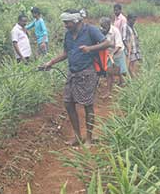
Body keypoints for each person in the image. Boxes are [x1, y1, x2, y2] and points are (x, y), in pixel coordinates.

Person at [41, 9, 110, 147]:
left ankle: (89, 138)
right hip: (73, 73)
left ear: (76, 21)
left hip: (88, 72)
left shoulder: (90, 30)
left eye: (67, 22)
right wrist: (51, 62)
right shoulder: (68, 35)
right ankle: (77, 136)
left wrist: (90, 48)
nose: (65, 25)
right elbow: (66, 53)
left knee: (87, 105)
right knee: (68, 103)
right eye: (64, 23)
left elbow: (107, 43)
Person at [99, 17, 127, 98]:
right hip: (109, 54)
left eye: (104, 26)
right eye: (101, 26)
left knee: (120, 73)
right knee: (109, 73)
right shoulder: (101, 31)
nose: (102, 28)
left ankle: (124, 89)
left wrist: (112, 53)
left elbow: (118, 46)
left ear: (109, 25)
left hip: (118, 53)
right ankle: (108, 92)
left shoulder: (115, 31)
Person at [113, 3, 128, 84]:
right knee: (118, 63)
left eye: (117, 10)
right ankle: (121, 80)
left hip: (121, 42)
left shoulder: (123, 19)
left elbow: (123, 32)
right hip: (116, 42)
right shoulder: (116, 18)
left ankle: (124, 81)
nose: (115, 12)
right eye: (114, 10)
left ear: (120, 10)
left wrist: (122, 42)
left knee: (121, 63)